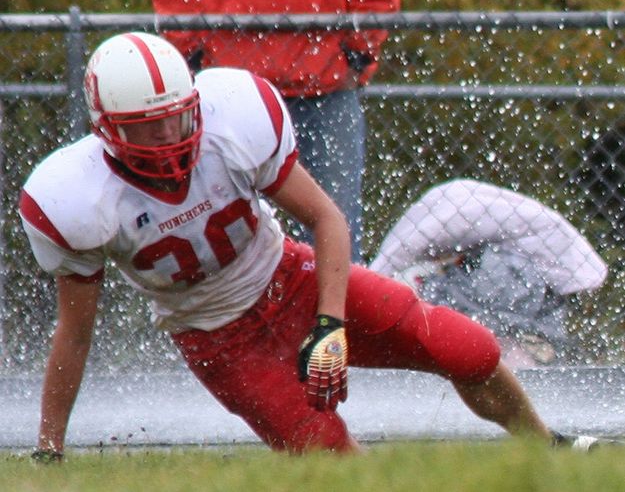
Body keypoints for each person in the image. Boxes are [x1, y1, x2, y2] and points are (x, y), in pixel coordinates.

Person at [20, 32, 592, 463]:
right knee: (329, 458)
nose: (170, 138)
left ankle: (548, 448)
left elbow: (326, 219)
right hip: (218, 339)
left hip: (290, 277)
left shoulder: (231, 122)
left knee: (469, 349)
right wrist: (50, 448)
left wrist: (329, 324)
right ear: (108, 130)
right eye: (149, 127)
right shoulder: (78, 198)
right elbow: (75, 332)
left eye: (177, 118)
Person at [151, 0, 401, 263]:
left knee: (333, 232)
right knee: (224, 242)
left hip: (324, 89)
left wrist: (357, 54)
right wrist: (191, 52)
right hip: (230, 91)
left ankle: (332, 304)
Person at [370, 179, 608, 368]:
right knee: (514, 317)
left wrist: (376, 277)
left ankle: (515, 356)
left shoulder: (520, 258)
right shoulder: (456, 221)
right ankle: (520, 356)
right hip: (534, 274)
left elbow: (397, 255)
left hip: (528, 275)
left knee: (498, 313)